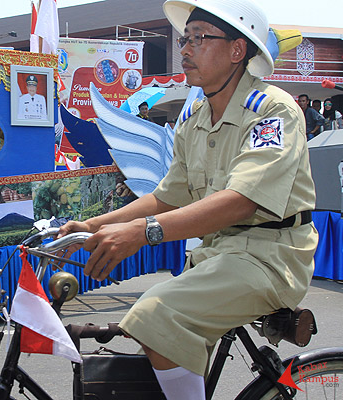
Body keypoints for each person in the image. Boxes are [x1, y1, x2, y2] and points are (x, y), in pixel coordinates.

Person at [57, 0, 317, 399]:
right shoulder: (195, 119)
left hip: (271, 258)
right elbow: (167, 198)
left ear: (236, 50)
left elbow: (240, 201)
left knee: (154, 314)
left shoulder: (272, 112)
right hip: (218, 254)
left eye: (199, 38)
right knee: (152, 335)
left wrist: (143, 234)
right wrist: (94, 225)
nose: (185, 49)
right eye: (185, 39)